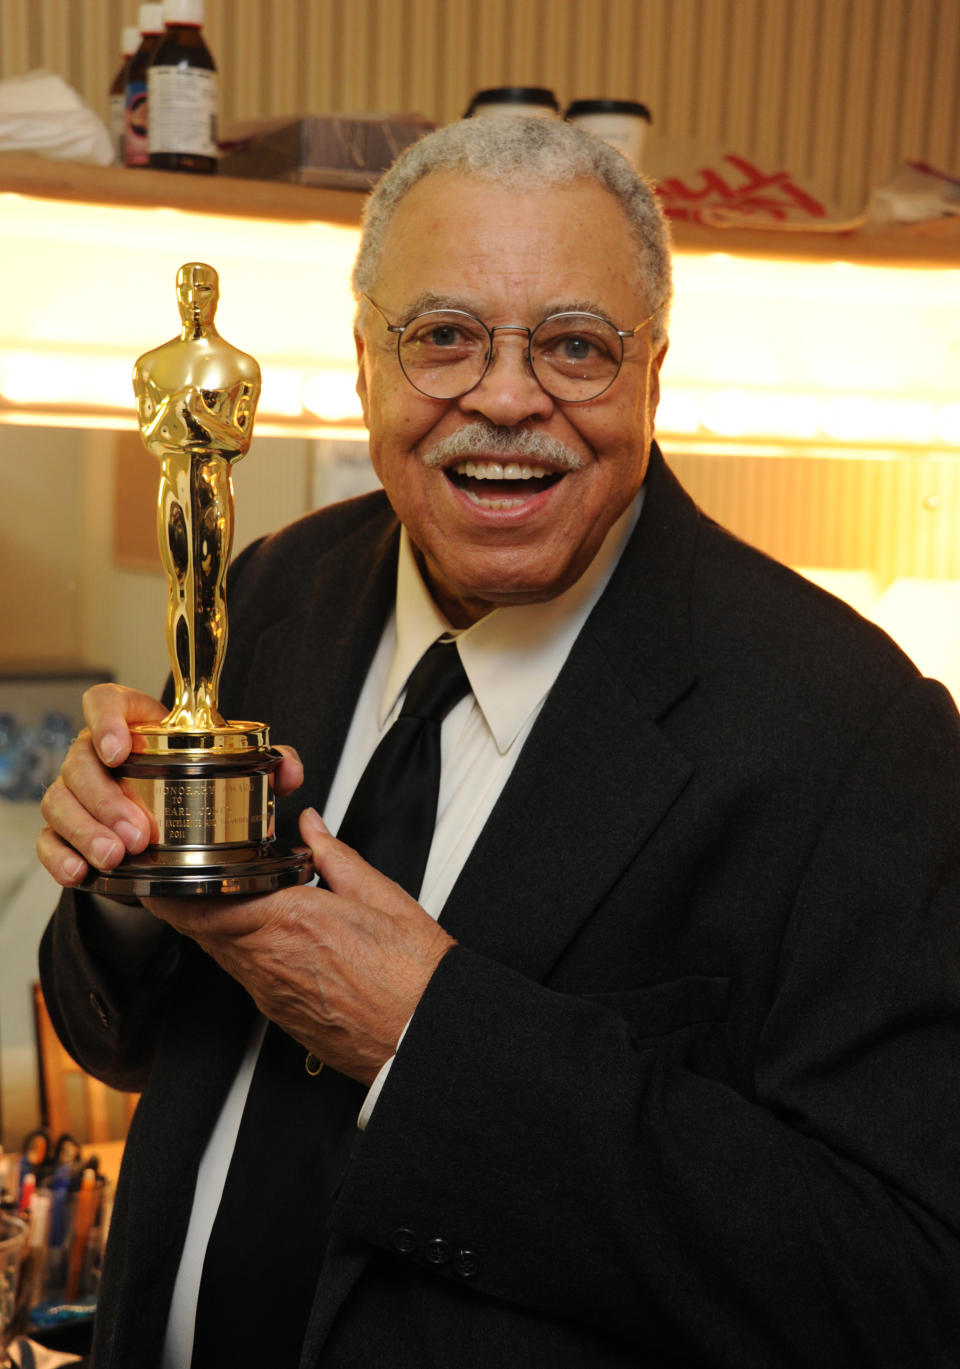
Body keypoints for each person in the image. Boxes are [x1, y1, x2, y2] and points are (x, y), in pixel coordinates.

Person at [36, 116, 960, 1368]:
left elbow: (899, 1286)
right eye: (445, 338)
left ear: (654, 370)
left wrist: (426, 1040)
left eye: (575, 346)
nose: (508, 398)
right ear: (367, 360)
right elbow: (125, 1035)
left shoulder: (859, 736)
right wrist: (131, 874)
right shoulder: (272, 591)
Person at [133, 261, 260, 731]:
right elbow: (150, 434)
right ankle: (183, 700)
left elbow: (237, 440)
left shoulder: (239, 365)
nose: (193, 295)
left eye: (202, 286)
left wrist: (194, 417)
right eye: (186, 286)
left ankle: (204, 700)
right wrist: (178, 411)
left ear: (216, 294)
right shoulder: (151, 364)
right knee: (178, 590)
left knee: (209, 590)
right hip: (172, 481)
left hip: (211, 483)